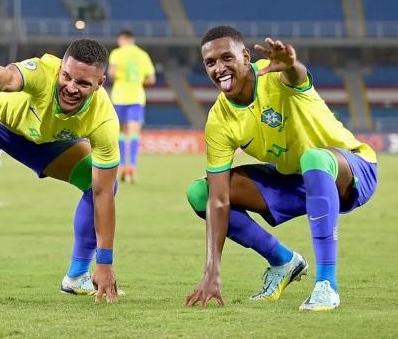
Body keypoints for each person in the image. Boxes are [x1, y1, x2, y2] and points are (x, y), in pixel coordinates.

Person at [185, 26, 377, 311]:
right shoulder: (219, 120)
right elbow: (218, 198)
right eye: (210, 63)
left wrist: (292, 64)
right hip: (294, 181)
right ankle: (283, 262)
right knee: (201, 193)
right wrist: (212, 270)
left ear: (246, 56)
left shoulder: (274, 74)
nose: (219, 68)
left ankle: (327, 285)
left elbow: (295, 75)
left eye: (227, 58)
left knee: (314, 158)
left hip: (350, 170)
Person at [0, 39, 120, 304]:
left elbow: (103, 192)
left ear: (100, 84)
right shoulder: (43, 71)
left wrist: (105, 262)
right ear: (60, 69)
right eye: (66, 76)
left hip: (37, 138)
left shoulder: (104, 120)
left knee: (98, 182)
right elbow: (9, 77)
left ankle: (77, 276)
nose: (71, 88)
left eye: (83, 83)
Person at [108, 29, 155, 183]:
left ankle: (122, 167)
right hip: (136, 98)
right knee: (134, 134)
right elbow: (151, 79)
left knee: (120, 133)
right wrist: (137, 81)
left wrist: (122, 78)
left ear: (122, 39)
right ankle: (132, 168)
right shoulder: (143, 55)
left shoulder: (117, 53)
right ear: (132, 39)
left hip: (119, 97)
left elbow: (112, 73)